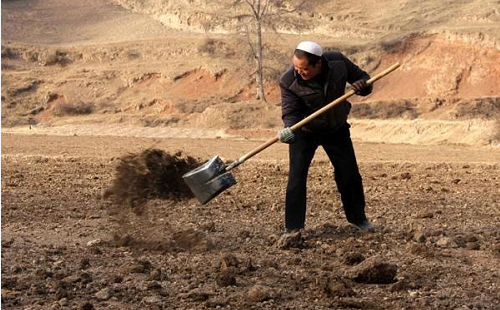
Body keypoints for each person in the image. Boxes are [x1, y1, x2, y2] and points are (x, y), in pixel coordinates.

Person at [278, 41, 374, 233]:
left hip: (336, 128)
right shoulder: (288, 80)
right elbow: (291, 112)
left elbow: (364, 79)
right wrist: (289, 129)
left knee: (349, 175)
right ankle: (293, 229)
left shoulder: (338, 62)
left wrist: (362, 86)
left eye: (303, 68)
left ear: (318, 64)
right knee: (296, 178)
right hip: (305, 131)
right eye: (296, 67)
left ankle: (358, 220)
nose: (299, 72)